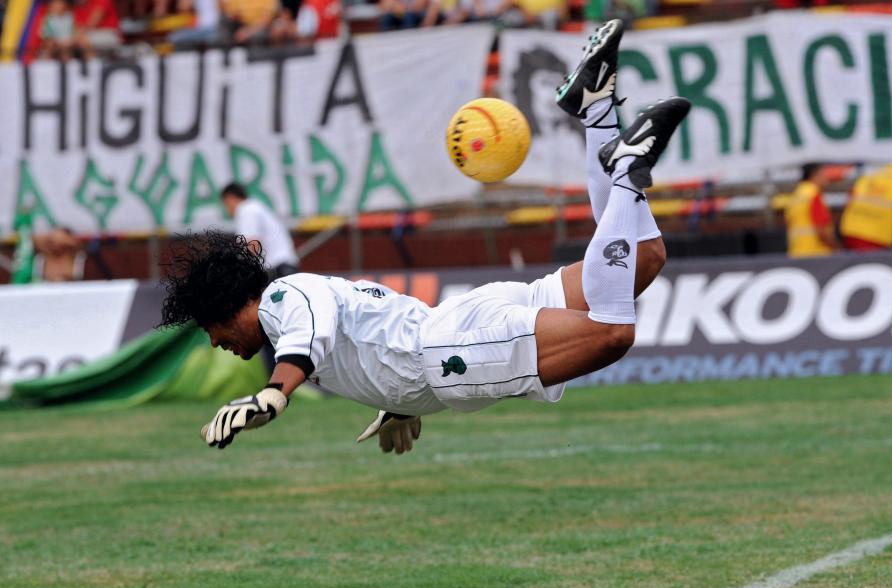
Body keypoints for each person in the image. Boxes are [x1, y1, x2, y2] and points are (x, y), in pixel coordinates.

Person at [161, 20, 687, 454]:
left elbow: (306, 337)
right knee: (643, 256)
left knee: (612, 333)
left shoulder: (282, 298)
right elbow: (371, 337)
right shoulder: (298, 302)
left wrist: (272, 395)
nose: (215, 341)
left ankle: (623, 170)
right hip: (456, 327)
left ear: (238, 302)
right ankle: (594, 107)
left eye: (215, 324)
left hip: (454, 351)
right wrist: (400, 402)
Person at [220, 182, 299, 279]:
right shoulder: (255, 207)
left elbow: (253, 243)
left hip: (277, 269)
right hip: (284, 267)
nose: (227, 209)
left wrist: (242, 273)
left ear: (230, 199)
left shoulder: (246, 210)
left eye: (225, 204)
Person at [784, 162, 838, 258]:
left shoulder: (796, 195)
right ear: (815, 174)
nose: (826, 178)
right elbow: (821, 231)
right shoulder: (813, 195)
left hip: (796, 252)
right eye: (823, 174)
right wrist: (836, 247)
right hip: (816, 254)